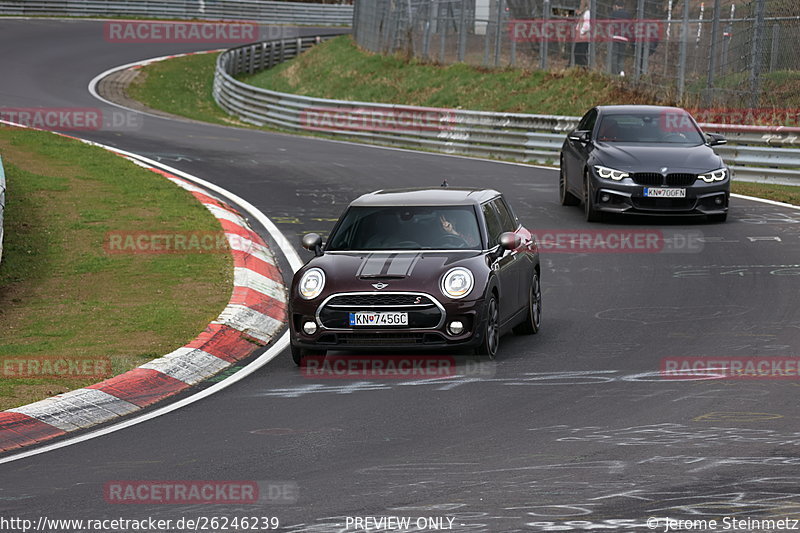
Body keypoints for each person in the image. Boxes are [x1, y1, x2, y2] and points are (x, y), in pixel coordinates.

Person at [610, 1, 630, 76]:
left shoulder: (614, 13)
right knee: (621, 56)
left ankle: (614, 73)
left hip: (615, 36)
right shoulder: (627, 14)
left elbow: (610, 24)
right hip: (624, 37)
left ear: (616, 6)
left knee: (614, 55)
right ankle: (621, 71)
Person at [574, 0, 591, 67]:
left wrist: (581, 31)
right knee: (577, 53)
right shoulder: (583, 13)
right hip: (580, 38)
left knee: (581, 54)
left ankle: (583, 69)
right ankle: (579, 69)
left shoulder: (587, 13)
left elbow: (587, 25)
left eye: (581, 3)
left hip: (583, 38)